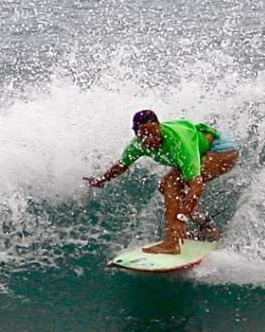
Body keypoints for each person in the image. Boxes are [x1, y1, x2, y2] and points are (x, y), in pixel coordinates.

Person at [86, 109, 240, 254]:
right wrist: (102, 180)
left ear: (159, 127)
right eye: (144, 134)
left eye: (153, 132)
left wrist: (181, 218)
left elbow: (196, 185)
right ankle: (206, 228)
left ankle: (173, 241)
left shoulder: (177, 143)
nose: (150, 138)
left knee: (171, 184)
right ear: (137, 134)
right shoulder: (139, 145)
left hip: (221, 150)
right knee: (165, 186)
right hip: (203, 149)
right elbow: (122, 165)